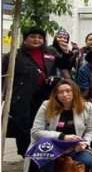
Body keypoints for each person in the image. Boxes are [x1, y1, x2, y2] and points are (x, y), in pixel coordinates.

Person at [2, 27, 61, 156]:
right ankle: (27, 157)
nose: (36, 40)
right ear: (25, 39)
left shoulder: (50, 52)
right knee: (24, 127)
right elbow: (3, 76)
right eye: (33, 37)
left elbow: (64, 64)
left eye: (40, 37)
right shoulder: (14, 55)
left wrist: (66, 53)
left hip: (44, 95)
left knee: (43, 125)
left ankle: (42, 156)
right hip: (22, 96)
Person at [29, 79, 92, 172]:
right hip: (51, 145)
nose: (64, 95)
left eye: (68, 91)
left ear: (75, 91)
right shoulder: (46, 105)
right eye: (60, 92)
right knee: (46, 145)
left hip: (73, 147)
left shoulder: (87, 106)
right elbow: (35, 131)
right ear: (56, 94)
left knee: (89, 161)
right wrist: (62, 136)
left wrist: (85, 143)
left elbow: (90, 130)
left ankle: (60, 168)